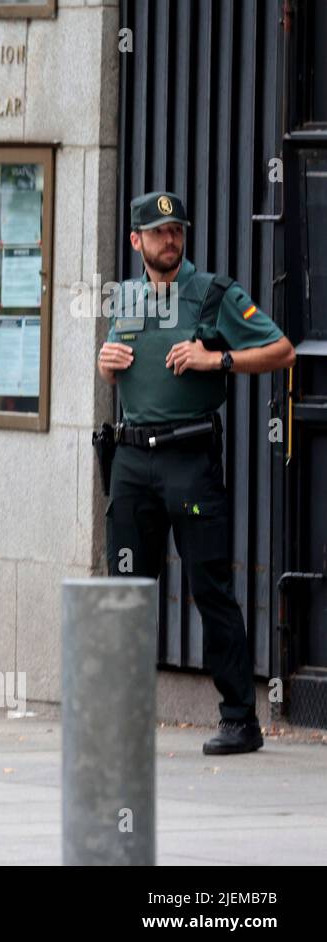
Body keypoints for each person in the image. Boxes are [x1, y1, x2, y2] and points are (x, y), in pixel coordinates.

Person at [98, 190, 295, 756]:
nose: (170, 240)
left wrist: (217, 359)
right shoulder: (127, 298)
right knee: (128, 592)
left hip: (190, 460)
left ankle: (240, 719)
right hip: (133, 461)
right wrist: (106, 366)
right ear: (136, 241)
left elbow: (282, 350)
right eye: (159, 232)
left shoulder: (213, 294)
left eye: (177, 230)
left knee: (211, 589)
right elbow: (120, 367)